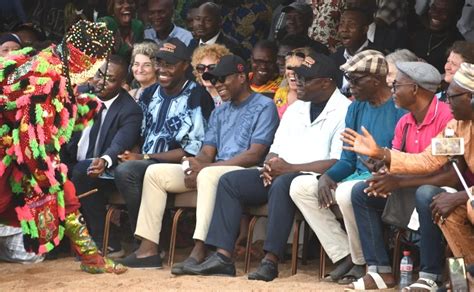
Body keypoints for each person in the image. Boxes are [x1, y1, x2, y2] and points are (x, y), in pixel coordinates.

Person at [183, 52, 351, 281]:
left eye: (306, 79)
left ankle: (270, 260)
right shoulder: (296, 108)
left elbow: (337, 160)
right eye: (298, 76)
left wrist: (288, 168)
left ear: (326, 83)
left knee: (282, 184)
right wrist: (271, 164)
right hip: (282, 170)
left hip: (315, 176)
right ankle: (223, 256)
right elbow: (276, 146)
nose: (298, 82)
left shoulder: (345, 110)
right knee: (230, 182)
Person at [118, 54, 279, 269]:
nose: (217, 84)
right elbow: (206, 152)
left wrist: (206, 167)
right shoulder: (220, 111)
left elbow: (255, 154)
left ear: (241, 77)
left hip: (244, 171)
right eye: (214, 80)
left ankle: (200, 248)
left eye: (223, 79)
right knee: (155, 173)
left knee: (207, 175)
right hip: (214, 169)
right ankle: (148, 249)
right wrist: (193, 165)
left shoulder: (264, 105)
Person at [0, 20, 125, 274]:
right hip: (13, 146)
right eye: (95, 66)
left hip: (18, 142)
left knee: (62, 191)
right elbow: (32, 139)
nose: (94, 75)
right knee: (58, 187)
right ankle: (92, 258)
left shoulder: (54, 60)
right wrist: (49, 172)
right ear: (83, 59)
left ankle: (91, 258)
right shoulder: (47, 78)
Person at [341, 63, 474, 290]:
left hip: (465, 194)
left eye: (452, 97)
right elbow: (428, 160)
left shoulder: (445, 117)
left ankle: (439, 276)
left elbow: (451, 177)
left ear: (471, 97)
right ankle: (463, 281)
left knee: (439, 198)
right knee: (443, 207)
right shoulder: (456, 126)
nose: (447, 101)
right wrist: (380, 154)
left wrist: (461, 196)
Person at [302, 50, 406, 284]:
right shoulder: (356, 108)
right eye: (348, 79)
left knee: (349, 193)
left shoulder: (399, 108)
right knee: (302, 188)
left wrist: (383, 164)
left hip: (387, 179)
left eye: (356, 80)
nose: (349, 86)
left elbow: (404, 156)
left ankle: (367, 264)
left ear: (377, 81)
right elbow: (348, 160)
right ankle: (346, 256)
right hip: (357, 175)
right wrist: (327, 176)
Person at [114, 38, 214, 241]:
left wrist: (144, 156)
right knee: (103, 167)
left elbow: (192, 150)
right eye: (159, 62)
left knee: (128, 172)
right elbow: (137, 133)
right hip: (145, 159)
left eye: (170, 64)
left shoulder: (197, 96)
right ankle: (137, 236)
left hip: (179, 165)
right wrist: (130, 153)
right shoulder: (149, 93)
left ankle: (145, 239)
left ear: (185, 66)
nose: (162, 69)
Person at [63, 55, 143, 255]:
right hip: (73, 161)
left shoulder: (130, 110)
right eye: (99, 74)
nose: (100, 81)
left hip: (108, 170)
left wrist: (104, 160)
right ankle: (57, 244)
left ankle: (107, 240)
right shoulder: (78, 95)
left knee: (84, 171)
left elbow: (120, 143)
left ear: (123, 83)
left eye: (110, 79)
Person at [409, 0, 465, 73]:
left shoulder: (459, 48)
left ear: (457, 15)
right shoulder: (418, 33)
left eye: (444, 11)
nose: (435, 14)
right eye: (433, 8)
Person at [330, 7, 374, 95]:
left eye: (352, 25)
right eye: (342, 24)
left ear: (365, 29)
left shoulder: (377, 56)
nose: (344, 29)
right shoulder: (334, 58)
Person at [273, 47, 311, 118]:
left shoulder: (316, 97)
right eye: (289, 68)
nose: (292, 72)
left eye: (298, 68)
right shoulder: (280, 94)